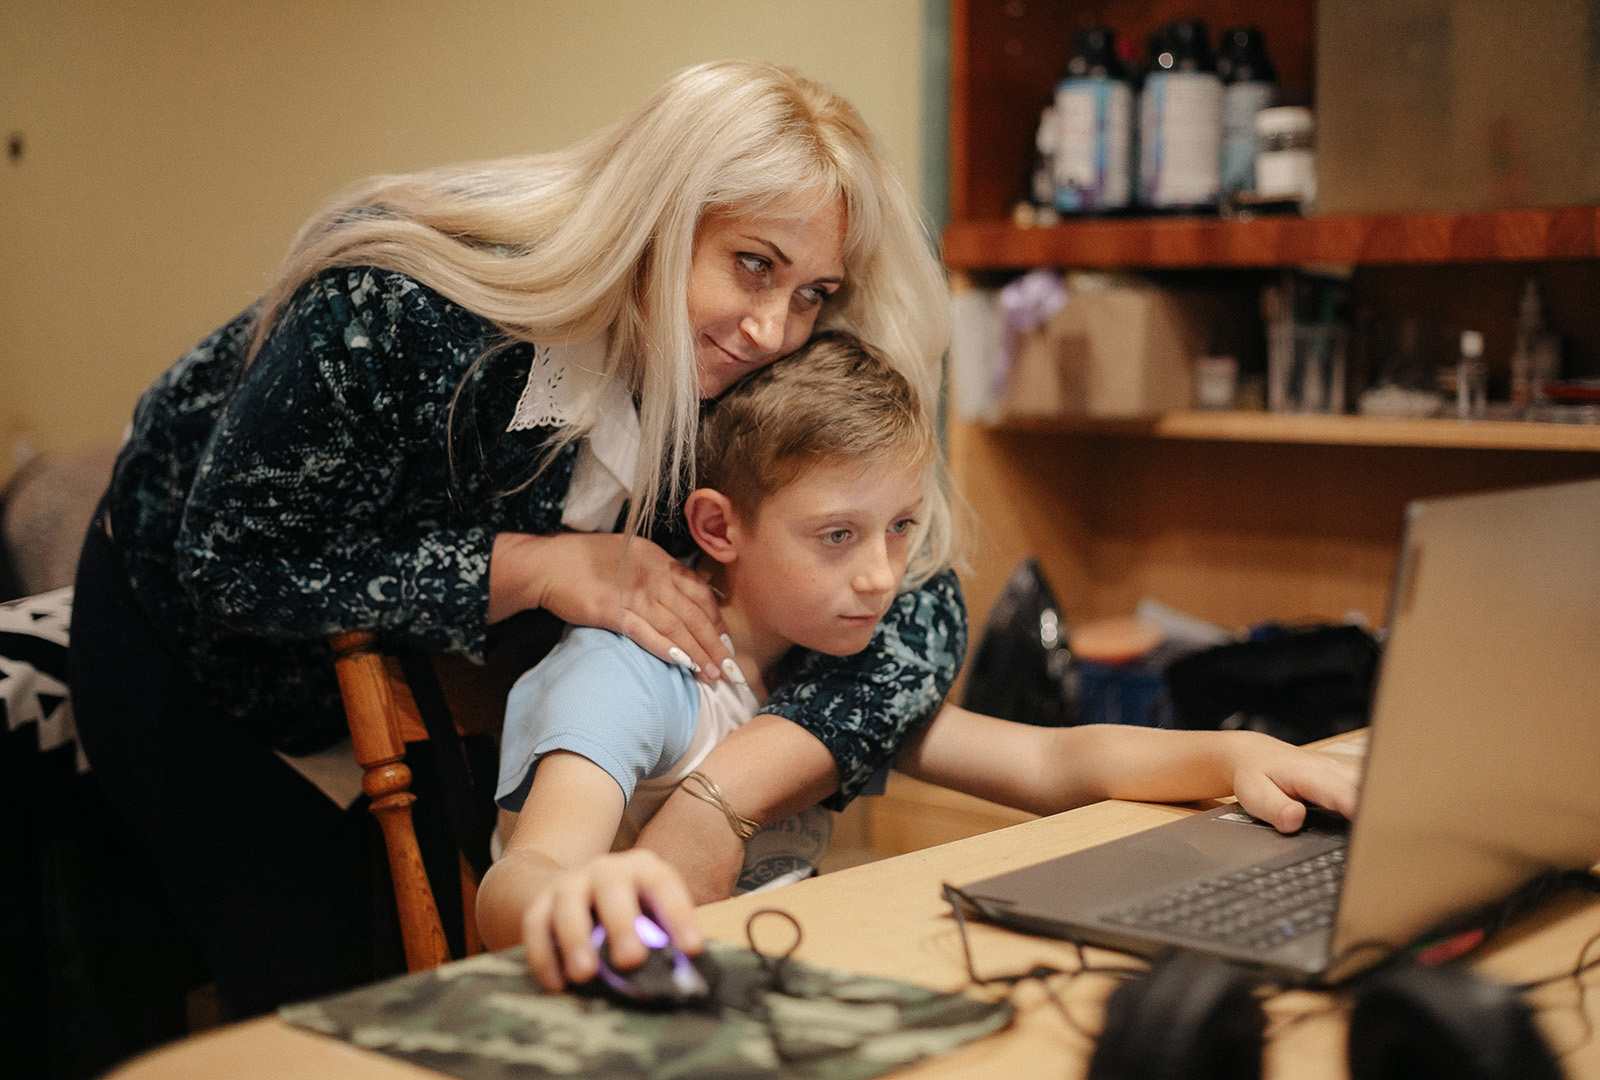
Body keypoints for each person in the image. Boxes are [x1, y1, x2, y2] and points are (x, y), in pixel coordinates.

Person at [66, 59, 962, 1040]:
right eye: (753, 264)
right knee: (324, 1007)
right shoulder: (402, 310)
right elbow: (237, 563)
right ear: (656, 221)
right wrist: (534, 567)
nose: (774, 328)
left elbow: (916, 607)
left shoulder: (743, 374)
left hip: (427, 677)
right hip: (198, 648)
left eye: (812, 292)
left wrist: (720, 800)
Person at [472, 333, 1360, 992]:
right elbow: (524, 875)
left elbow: (1051, 760)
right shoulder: (632, 675)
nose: (882, 574)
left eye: (902, 527)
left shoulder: (823, 670)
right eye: (836, 536)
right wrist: (572, 898)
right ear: (718, 528)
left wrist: (1235, 757)